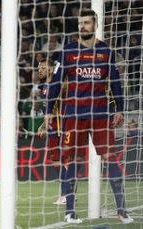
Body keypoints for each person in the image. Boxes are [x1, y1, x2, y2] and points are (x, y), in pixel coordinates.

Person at [45, 9, 133, 224]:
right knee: (73, 161)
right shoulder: (68, 51)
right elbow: (56, 82)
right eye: (80, 23)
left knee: (110, 158)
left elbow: (115, 82)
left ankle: (121, 209)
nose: (82, 26)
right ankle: (70, 211)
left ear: (95, 24)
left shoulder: (106, 51)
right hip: (74, 115)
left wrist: (119, 108)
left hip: (101, 114)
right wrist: (48, 110)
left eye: (86, 23)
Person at [36, 58, 68, 205]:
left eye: (42, 68)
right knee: (56, 161)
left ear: (50, 69)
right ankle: (67, 192)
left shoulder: (59, 84)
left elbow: (58, 106)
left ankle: (65, 194)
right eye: (38, 68)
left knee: (61, 160)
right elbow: (48, 109)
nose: (39, 70)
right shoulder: (43, 87)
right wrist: (43, 125)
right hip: (52, 127)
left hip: (62, 126)